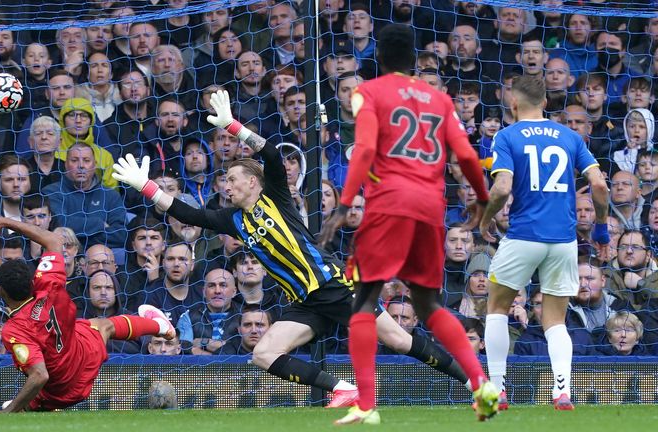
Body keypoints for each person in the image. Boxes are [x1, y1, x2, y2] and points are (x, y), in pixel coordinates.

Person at [113, 88, 471, 415]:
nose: (227, 184)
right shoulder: (232, 220)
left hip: (333, 286)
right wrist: (145, 186)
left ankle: (473, 380)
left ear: (252, 182)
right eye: (225, 181)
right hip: (304, 300)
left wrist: (234, 126)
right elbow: (186, 212)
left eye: (233, 179)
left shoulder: (275, 198)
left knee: (398, 339)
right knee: (264, 354)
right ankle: (344, 389)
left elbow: (270, 152)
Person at [318, 24, 496, 425]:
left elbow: (364, 149)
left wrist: (344, 204)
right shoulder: (438, 98)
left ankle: (366, 404)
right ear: (415, 61)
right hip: (432, 207)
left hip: (389, 204)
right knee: (429, 304)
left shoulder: (370, 91)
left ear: (378, 59)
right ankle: (481, 381)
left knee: (363, 301)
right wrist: (483, 199)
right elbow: (466, 155)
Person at [478, 74, 611, 412]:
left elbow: (503, 187)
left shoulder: (506, 136)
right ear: (546, 103)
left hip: (523, 234)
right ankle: (562, 392)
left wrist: (485, 218)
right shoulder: (570, 136)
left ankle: (496, 391)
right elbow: (599, 186)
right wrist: (600, 229)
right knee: (555, 320)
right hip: (563, 239)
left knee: (495, 309)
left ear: (513, 104)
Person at [0, 211, 176, 413]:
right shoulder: (47, 283)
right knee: (104, 326)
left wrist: (8, 412)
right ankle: (161, 326)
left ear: (1, 291)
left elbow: (39, 376)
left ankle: (24, 406)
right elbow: (53, 240)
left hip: (62, 391)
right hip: (84, 357)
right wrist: (5, 222)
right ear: (33, 281)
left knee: (25, 395)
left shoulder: (14, 329)